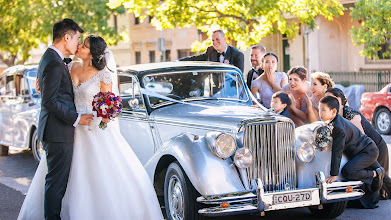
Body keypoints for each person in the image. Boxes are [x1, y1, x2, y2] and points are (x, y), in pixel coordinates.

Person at [18, 35, 164, 219]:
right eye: (81, 43)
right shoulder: (69, 67)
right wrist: (42, 89)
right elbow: (56, 92)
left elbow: (110, 104)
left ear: (92, 54)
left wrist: (105, 114)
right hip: (70, 126)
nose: (79, 46)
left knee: (98, 173)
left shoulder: (103, 75)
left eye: (84, 46)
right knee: (61, 175)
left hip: (93, 128)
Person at [32, 18, 93, 220]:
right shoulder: (53, 63)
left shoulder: (53, 59)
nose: (78, 42)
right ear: (67, 37)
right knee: (56, 183)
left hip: (56, 130)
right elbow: (49, 102)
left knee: (56, 182)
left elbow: (51, 94)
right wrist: (77, 118)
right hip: (57, 132)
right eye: (77, 38)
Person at [320, 96, 385, 209]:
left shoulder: (338, 128)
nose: (320, 113)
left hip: (368, 151)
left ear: (334, 111)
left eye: (323, 110)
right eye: (319, 109)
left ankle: (375, 174)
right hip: (361, 151)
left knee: (348, 171)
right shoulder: (334, 121)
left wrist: (334, 175)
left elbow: (337, 151)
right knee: (386, 181)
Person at [179, 29, 245, 72]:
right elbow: (195, 59)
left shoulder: (237, 55)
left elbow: (238, 78)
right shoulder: (210, 51)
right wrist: (178, 61)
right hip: (214, 90)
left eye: (217, 39)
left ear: (224, 39)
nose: (215, 42)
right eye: (213, 40)